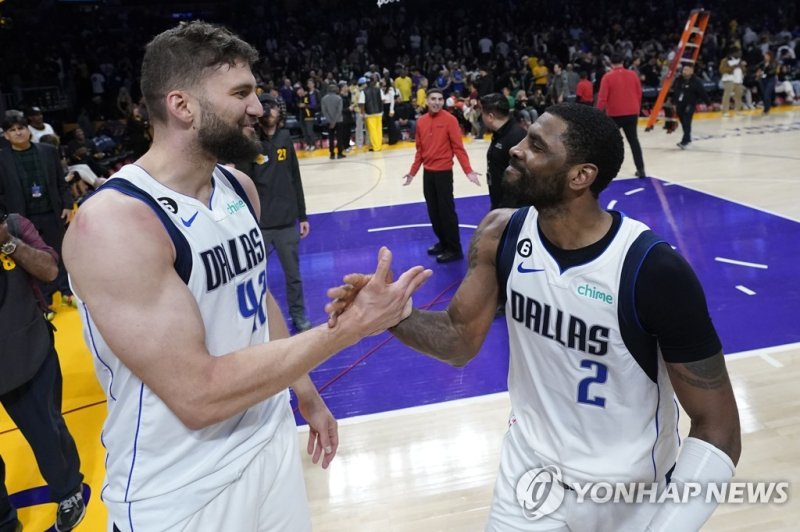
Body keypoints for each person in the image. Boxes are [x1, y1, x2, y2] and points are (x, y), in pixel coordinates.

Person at [62, 21, 431, 532]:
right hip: (180, 487)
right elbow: (197, 395)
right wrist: (347, 331)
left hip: (269, 442)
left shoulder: (237, 186)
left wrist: (307, 395)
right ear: (182, 105)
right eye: (241, 93)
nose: (258, 107)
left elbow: (256, 302)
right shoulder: (116, 224)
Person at [329, 103, 740, 531]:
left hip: (625, 496)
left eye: (537, 146)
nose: (517, 149)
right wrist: (393, 315)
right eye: (525, 137)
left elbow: (718, 429)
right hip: (528, 479)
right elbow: (457, 338)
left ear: (581, 176)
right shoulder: (499, 233)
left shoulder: (651, 270)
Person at [0, 210, 85, 532]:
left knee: (47, 433)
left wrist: (8, 243)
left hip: (28, 353)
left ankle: (68, 492)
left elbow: (50, 270)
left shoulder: (15, 226)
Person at [235, 93, 314, 332]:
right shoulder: (251, 142)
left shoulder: (285, 138)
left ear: (280, 112)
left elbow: (296, 179)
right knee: (254, 278)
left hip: (286, 222)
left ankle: (298, 315)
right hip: (259, 225)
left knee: (293, 276)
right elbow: (242, 182)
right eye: (264, 107)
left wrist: (302, 216)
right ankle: (258, 321)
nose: (269, 111)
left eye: (273, 107)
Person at [0, 115, 74, 311]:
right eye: (12, 130)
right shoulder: (2, 159)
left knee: (59, 253)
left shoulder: (48, 151)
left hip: (52, 212)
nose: (18, 132)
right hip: (23, 219)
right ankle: (45, 302)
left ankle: (67, 292)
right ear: (6, 135)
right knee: (32, 259)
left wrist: (67, 204)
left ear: (28, 130)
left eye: (21, 127)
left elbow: (61, 182)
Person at [403, 88, 481, 263]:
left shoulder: (450, 120)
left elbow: (458, 148)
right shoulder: (421, 122)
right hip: (428, 174)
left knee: (446, 212)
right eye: (433, 99)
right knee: (433, 211)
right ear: (427, 101)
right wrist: (412, 172)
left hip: (444, 173)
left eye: (439, 99)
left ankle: (454, 248)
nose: (436, 102)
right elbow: (420, 152)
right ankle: (443, 242)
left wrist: (468, 170)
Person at [596, 54, 646, 177]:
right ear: (623, 61)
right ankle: (641, 169)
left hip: (615, 115)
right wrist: (637, 109)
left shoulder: (607, 77)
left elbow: (602, 98)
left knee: (609, 142)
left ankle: (606, 170)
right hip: (632, 113)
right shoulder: (633, 75)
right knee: (634, 141)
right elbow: (639, 93)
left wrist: (597, 114)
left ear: (611, 64)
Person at [480, 93, 526, 210]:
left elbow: (520, 179)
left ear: (490, 117)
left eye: (482, 113)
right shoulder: (500, 133)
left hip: (511, 207)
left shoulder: (516, 137)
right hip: (500, 200)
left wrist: (505, 209)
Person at [674, 65, 710, 149]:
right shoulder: (679, 80)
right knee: (683, 123)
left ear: (691, 71)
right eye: (684, 69)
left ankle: (685, 141)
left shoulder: (696, 81)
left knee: (687, 121)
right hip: (680, 104)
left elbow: (702, 93)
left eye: (687, 70)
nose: (684, 71)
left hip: (690, 104)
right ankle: (688, 138)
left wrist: (708, 103)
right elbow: (674, 91)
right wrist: (673, 102)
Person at [320, 84, 347, 160]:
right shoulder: (339, 98)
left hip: (329, 121)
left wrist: (331, 121)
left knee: (331, 138)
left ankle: (332, 154)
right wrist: (334, 121)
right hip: (338, 121)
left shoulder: (324, 99)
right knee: (339, 137)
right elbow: (339, 111)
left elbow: (324, 111)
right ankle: (339, 153)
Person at [719, 47, 745, 116]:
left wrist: (743, 67)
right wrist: (733, 67)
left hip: (738, 80)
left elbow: (744, 70)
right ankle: (725, 111)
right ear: (733, 53)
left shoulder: (740, 61)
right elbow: (722, 70)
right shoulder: (725, 60)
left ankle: (738, 110)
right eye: (738, 52)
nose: (740, 54)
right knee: (727, 96)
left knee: (738, 96)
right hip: (729, 80)